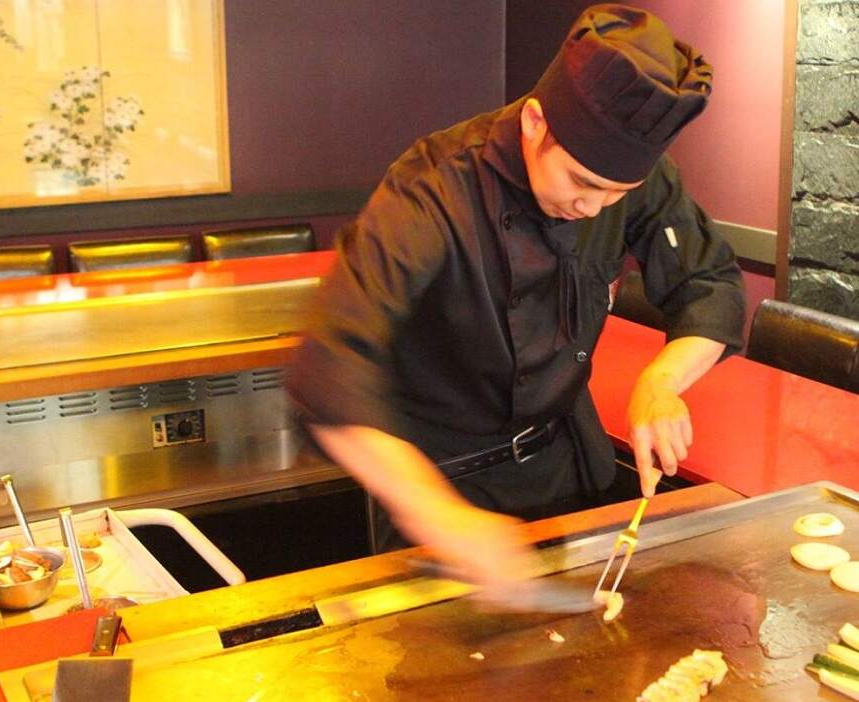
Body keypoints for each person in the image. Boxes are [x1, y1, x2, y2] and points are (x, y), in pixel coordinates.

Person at [286, 5, 745, 588]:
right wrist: (440, 516)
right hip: (439, 488)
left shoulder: (624, 178)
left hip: (565, 468)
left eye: (617, 193)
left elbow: (710, 283)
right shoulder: (430, 190)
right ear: (534, 122)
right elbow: (329, 365)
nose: (593, 209)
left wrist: (659, 385)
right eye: (582, 183)